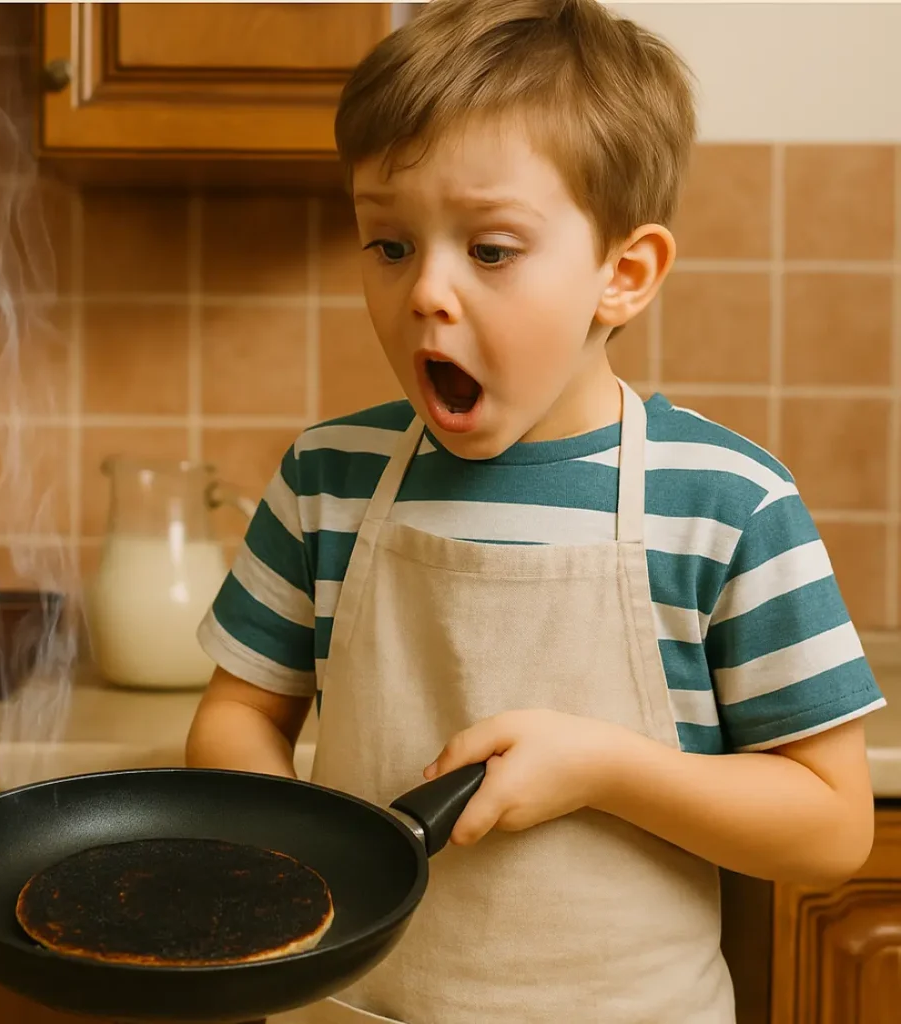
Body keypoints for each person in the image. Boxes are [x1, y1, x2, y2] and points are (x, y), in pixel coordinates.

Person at [185, 0, 886, 1020]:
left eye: (492, 250)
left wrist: (604, 767)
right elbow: (237, 714)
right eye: (388, 245)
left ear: (623, 274)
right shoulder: (326, 476)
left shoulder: (726, 504)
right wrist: (303, 845)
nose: (426, 291)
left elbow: (830, 826)